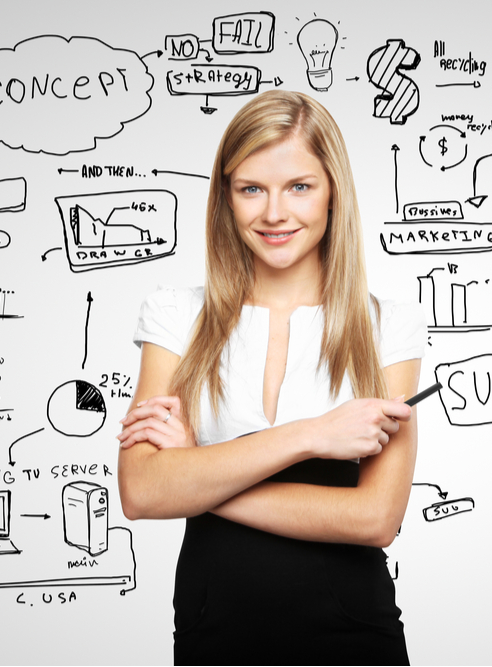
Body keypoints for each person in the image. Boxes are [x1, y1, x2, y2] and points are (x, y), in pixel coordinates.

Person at [117, 90, 426, 665]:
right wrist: (310, 435)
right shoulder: (175, 316)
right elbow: (140, 492)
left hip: (355, 634)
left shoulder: (388, 325)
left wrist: (194, 478)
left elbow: (375, 518)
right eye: (251, 188)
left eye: (299, 187)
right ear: (226, 197)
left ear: (334, 192)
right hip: (214, 634)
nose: (275, 213)